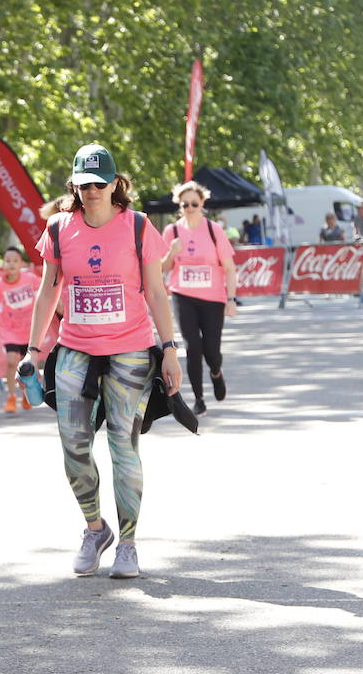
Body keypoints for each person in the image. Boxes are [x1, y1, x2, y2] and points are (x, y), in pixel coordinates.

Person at [19, 143, 181, 582]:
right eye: (83, 183)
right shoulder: (57, 228)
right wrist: (33, 351)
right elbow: (48, 289)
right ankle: (95, 529)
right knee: (73, 448)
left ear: (115, 185)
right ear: (73, 185)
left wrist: (169, 348)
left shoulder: (139, 227)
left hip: (130, 349)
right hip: (75, 350)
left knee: (123, 447)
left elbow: (156, 291)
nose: (91, 191)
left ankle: (128, 543)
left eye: (99, 183)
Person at [161, 181, 238, 416]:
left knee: (211, 350)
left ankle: (216, 372)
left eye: (195, 203)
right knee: (192, 346)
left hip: (213, 297)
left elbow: (229, 267)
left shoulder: (214, 230)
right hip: (183, 295)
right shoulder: (171, 232)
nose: (190, 207)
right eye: (185, 204)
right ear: (179, 205)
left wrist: (231, 299)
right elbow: (162, 268)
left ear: (202, 203)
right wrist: (172, 252)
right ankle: (198, 398)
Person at [0, 246, 42, 412]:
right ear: (3, 264)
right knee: (11, 362)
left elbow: (44, 293)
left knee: (27, 367)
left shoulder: (30, 278)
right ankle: (11, 397)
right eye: (8, 260)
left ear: (21, 263)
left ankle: (27, 395)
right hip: (10, 331)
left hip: (30, 330)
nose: (11, 264)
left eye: (15, 260)